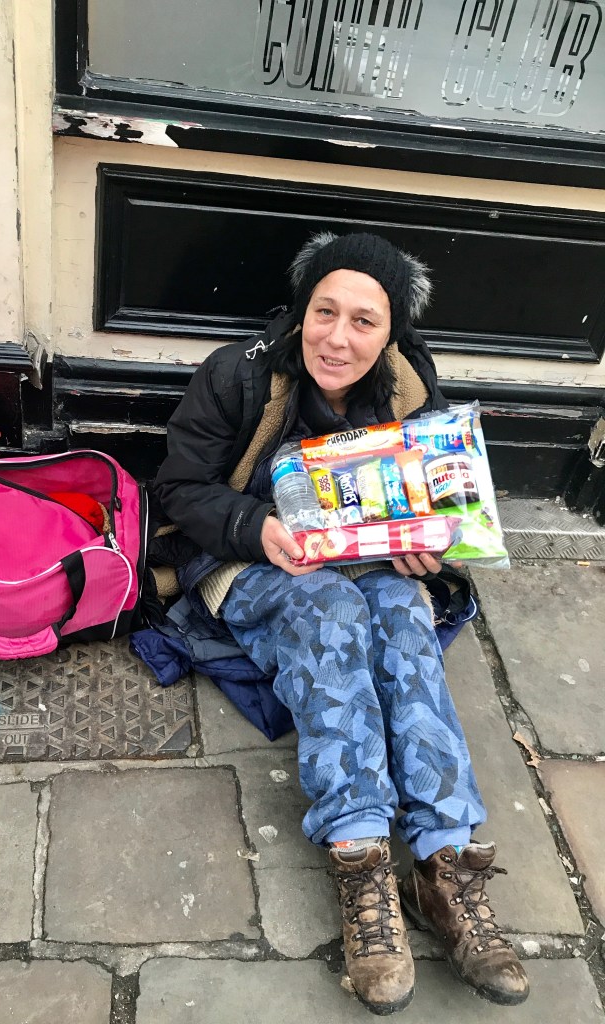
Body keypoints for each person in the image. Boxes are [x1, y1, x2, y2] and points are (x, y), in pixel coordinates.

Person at [153, 231, 529, 1015]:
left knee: (401, 616)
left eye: (364, 321)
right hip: (248, 560)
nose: (338, 338)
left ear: (391, 332)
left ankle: (444, 863)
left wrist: (432, 546)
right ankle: (362, 862)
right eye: (325, 312)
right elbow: (180, 489)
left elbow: (437, 498)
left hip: (367, 562)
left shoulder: (409, 385)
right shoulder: (238, 374)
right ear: (302, 312)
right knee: (328, 611)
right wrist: (255, 527)